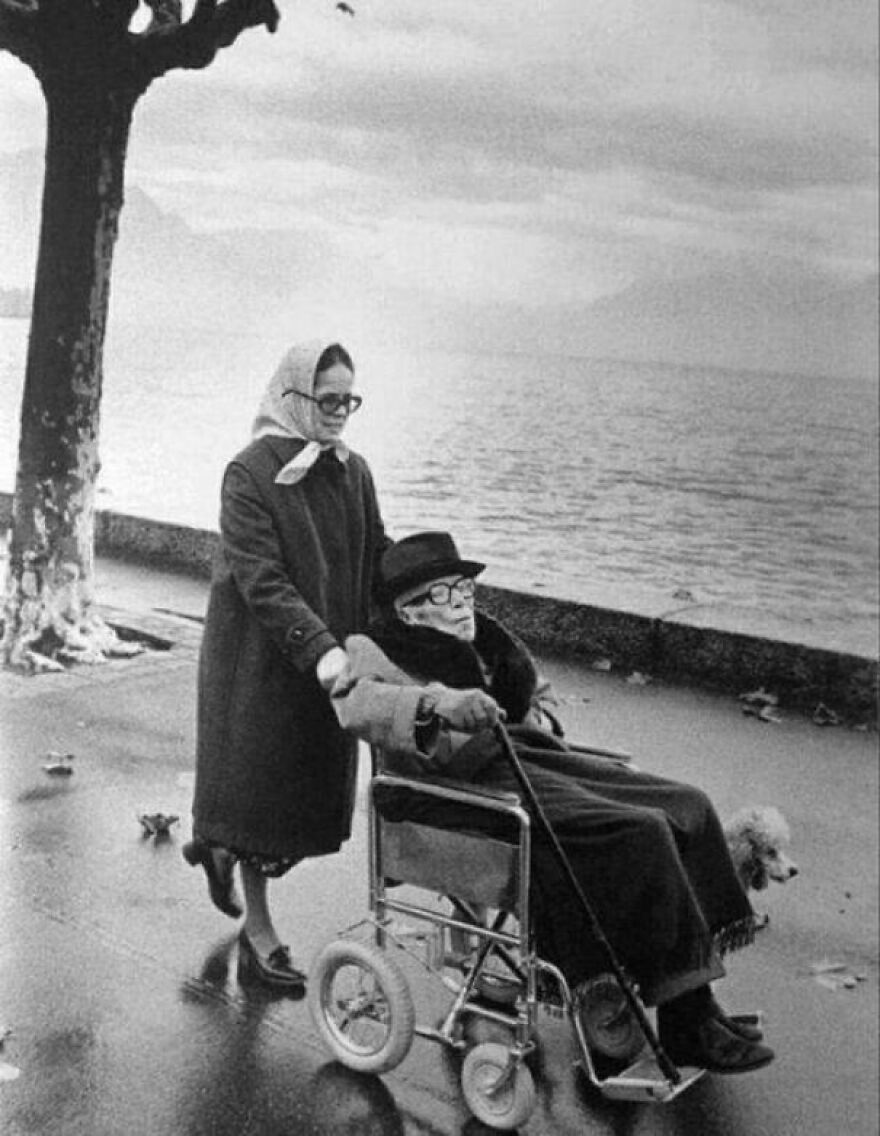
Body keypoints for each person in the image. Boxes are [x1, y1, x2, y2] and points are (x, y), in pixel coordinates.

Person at [329, 530, 775, 1074]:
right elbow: (357, 705)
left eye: (464, 591)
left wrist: (533, 702)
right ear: (409, 609)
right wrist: (440, 703)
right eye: (444, 595)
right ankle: (687, 1018)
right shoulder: (373, 648)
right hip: (461, 788)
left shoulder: (488, 640)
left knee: (687, 805)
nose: (463, 605)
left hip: (527, 756)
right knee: (638, 830)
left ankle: (698, 996)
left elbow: (525, 696)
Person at [184, 339, 389, 989]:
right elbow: (262, 580)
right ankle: (259, 928)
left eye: (347, 401)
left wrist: (426, 602)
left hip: (327, 657)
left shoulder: (353, 472)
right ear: (292, 396)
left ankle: (217, 845)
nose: (337, 413)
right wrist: (321, 649)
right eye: (326, 400)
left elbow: (377, 556)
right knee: (260, 800)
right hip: (260, 664)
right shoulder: (248, 472)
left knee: (307, 803)